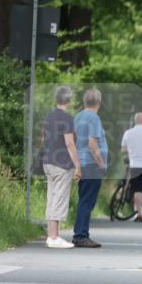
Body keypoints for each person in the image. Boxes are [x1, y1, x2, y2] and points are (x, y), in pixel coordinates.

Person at [42, 86, 81, 248]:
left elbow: (43, 140)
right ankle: (53, 237)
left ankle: (51, 236)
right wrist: (78, 166)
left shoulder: (48, 116)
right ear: (69, 100)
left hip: (48, 162)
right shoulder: (67, 118)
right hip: (62, 163)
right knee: (59, 199)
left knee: (52, 198)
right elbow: (70, 143)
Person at [71, 88, 108, 248]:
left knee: (84, 200)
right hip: (92, 165)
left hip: (82, 163)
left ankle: (81, 234)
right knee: (87, 201)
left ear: (84, 101)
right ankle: (81, 236)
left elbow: (73, 141)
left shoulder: (77, 117)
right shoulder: (94, 118)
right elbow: (93, 144)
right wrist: (101, 163)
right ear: (99, 103)